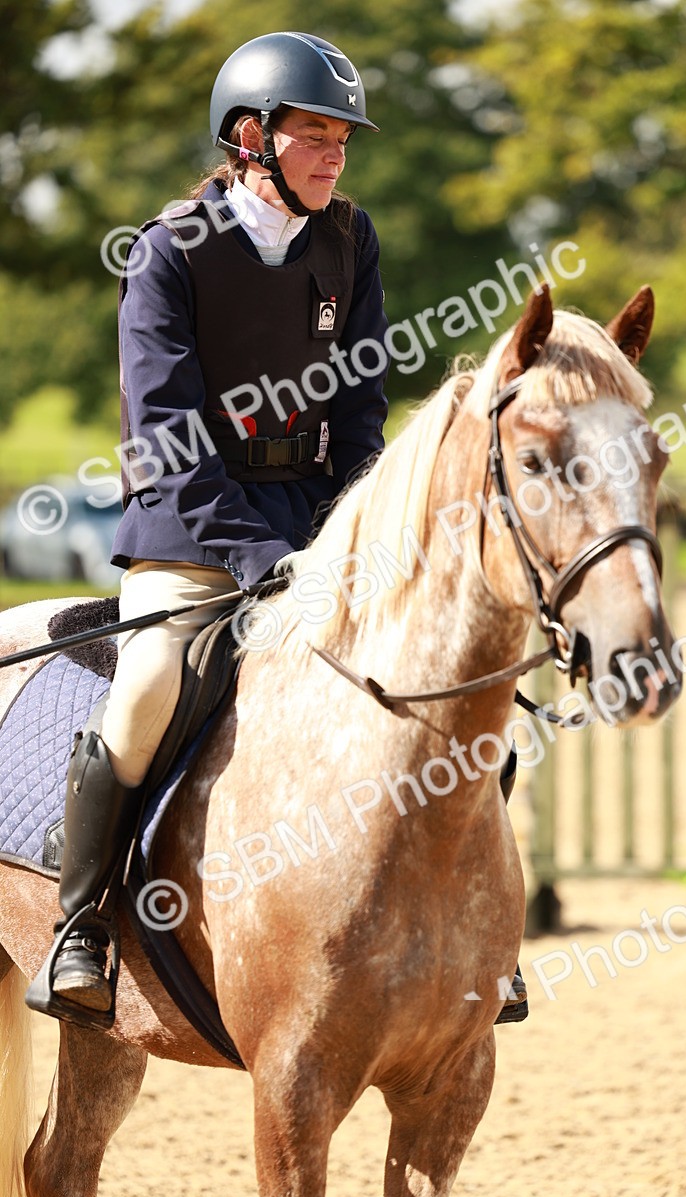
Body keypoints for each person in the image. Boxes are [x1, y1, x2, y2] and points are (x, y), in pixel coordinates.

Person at [26, 31, 389, 1027]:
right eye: (312, 135)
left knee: (431, 666)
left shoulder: (347, 242)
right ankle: (84, 923)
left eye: (340, 140)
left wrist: (343, 535)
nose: (332, 155)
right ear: (249, 137)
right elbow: (167, 437)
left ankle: (461, 935)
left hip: (314, 526)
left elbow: (359, 411)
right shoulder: (167, 253)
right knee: (146, 690)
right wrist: (260, 558)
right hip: (189, 527)